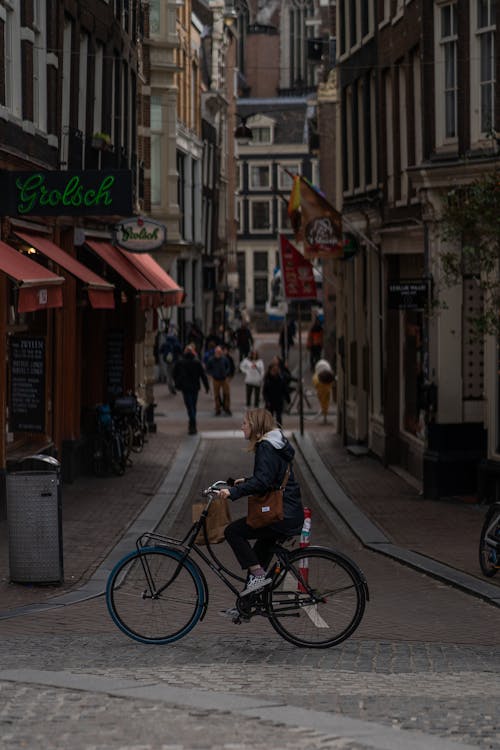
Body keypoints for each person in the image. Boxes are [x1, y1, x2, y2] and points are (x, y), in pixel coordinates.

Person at [217, 408, 304, 603]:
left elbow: (263, 482)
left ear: (255, 426)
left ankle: (257, 579)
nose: (242, 428)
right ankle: (247, 605)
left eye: (245, 424)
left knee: (233, 532)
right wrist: (246, 481)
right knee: (256, 558)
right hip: (288, 511)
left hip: (280, 515)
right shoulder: (276, 444)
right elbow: (272, 477)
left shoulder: (266, 446)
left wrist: (233, 492)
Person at [173, 345, 209, 435]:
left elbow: (174, 373)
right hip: (195, 387)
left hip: (185, 387)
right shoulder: (197, 363)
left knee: (189, 406)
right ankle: (192, 424)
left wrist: (177, 382)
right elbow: (203, 375)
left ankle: (192, 423)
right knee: (193, 405)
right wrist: (207, 386)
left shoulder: (180, 362)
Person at [206, 345, 232, 416]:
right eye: (217, 352)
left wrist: (226, 373)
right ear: (215, 352)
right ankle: (218, 409)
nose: (219, 353)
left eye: (220, 352)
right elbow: (208, 368)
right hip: (216, 379)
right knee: (216, 395)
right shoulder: (211, 360)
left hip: (224, 379)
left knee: (227, 394)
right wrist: (212, 374)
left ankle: (227, 408)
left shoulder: (224, 359)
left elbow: (228, 366)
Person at [263, 360, 289, 426]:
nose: (275, 372)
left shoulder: (280, 378)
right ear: (270, 370)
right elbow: (264, 391)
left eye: (276, 370)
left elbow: (284, 389)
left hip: (278, 401)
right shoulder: (267, 379)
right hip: (270, 401)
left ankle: (279, 430)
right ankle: (269, 430)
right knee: (269, 417)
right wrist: (266, 401)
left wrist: (287, 398)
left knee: (279, 417)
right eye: (273, 370)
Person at [312, 359, 334, 424]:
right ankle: (325, 415)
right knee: (325, 402)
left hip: (321, 390)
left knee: (324, 402)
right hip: (325, 390)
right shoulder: (327, 382)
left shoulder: (316, 379)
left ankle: (325, 415)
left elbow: (315, 383)